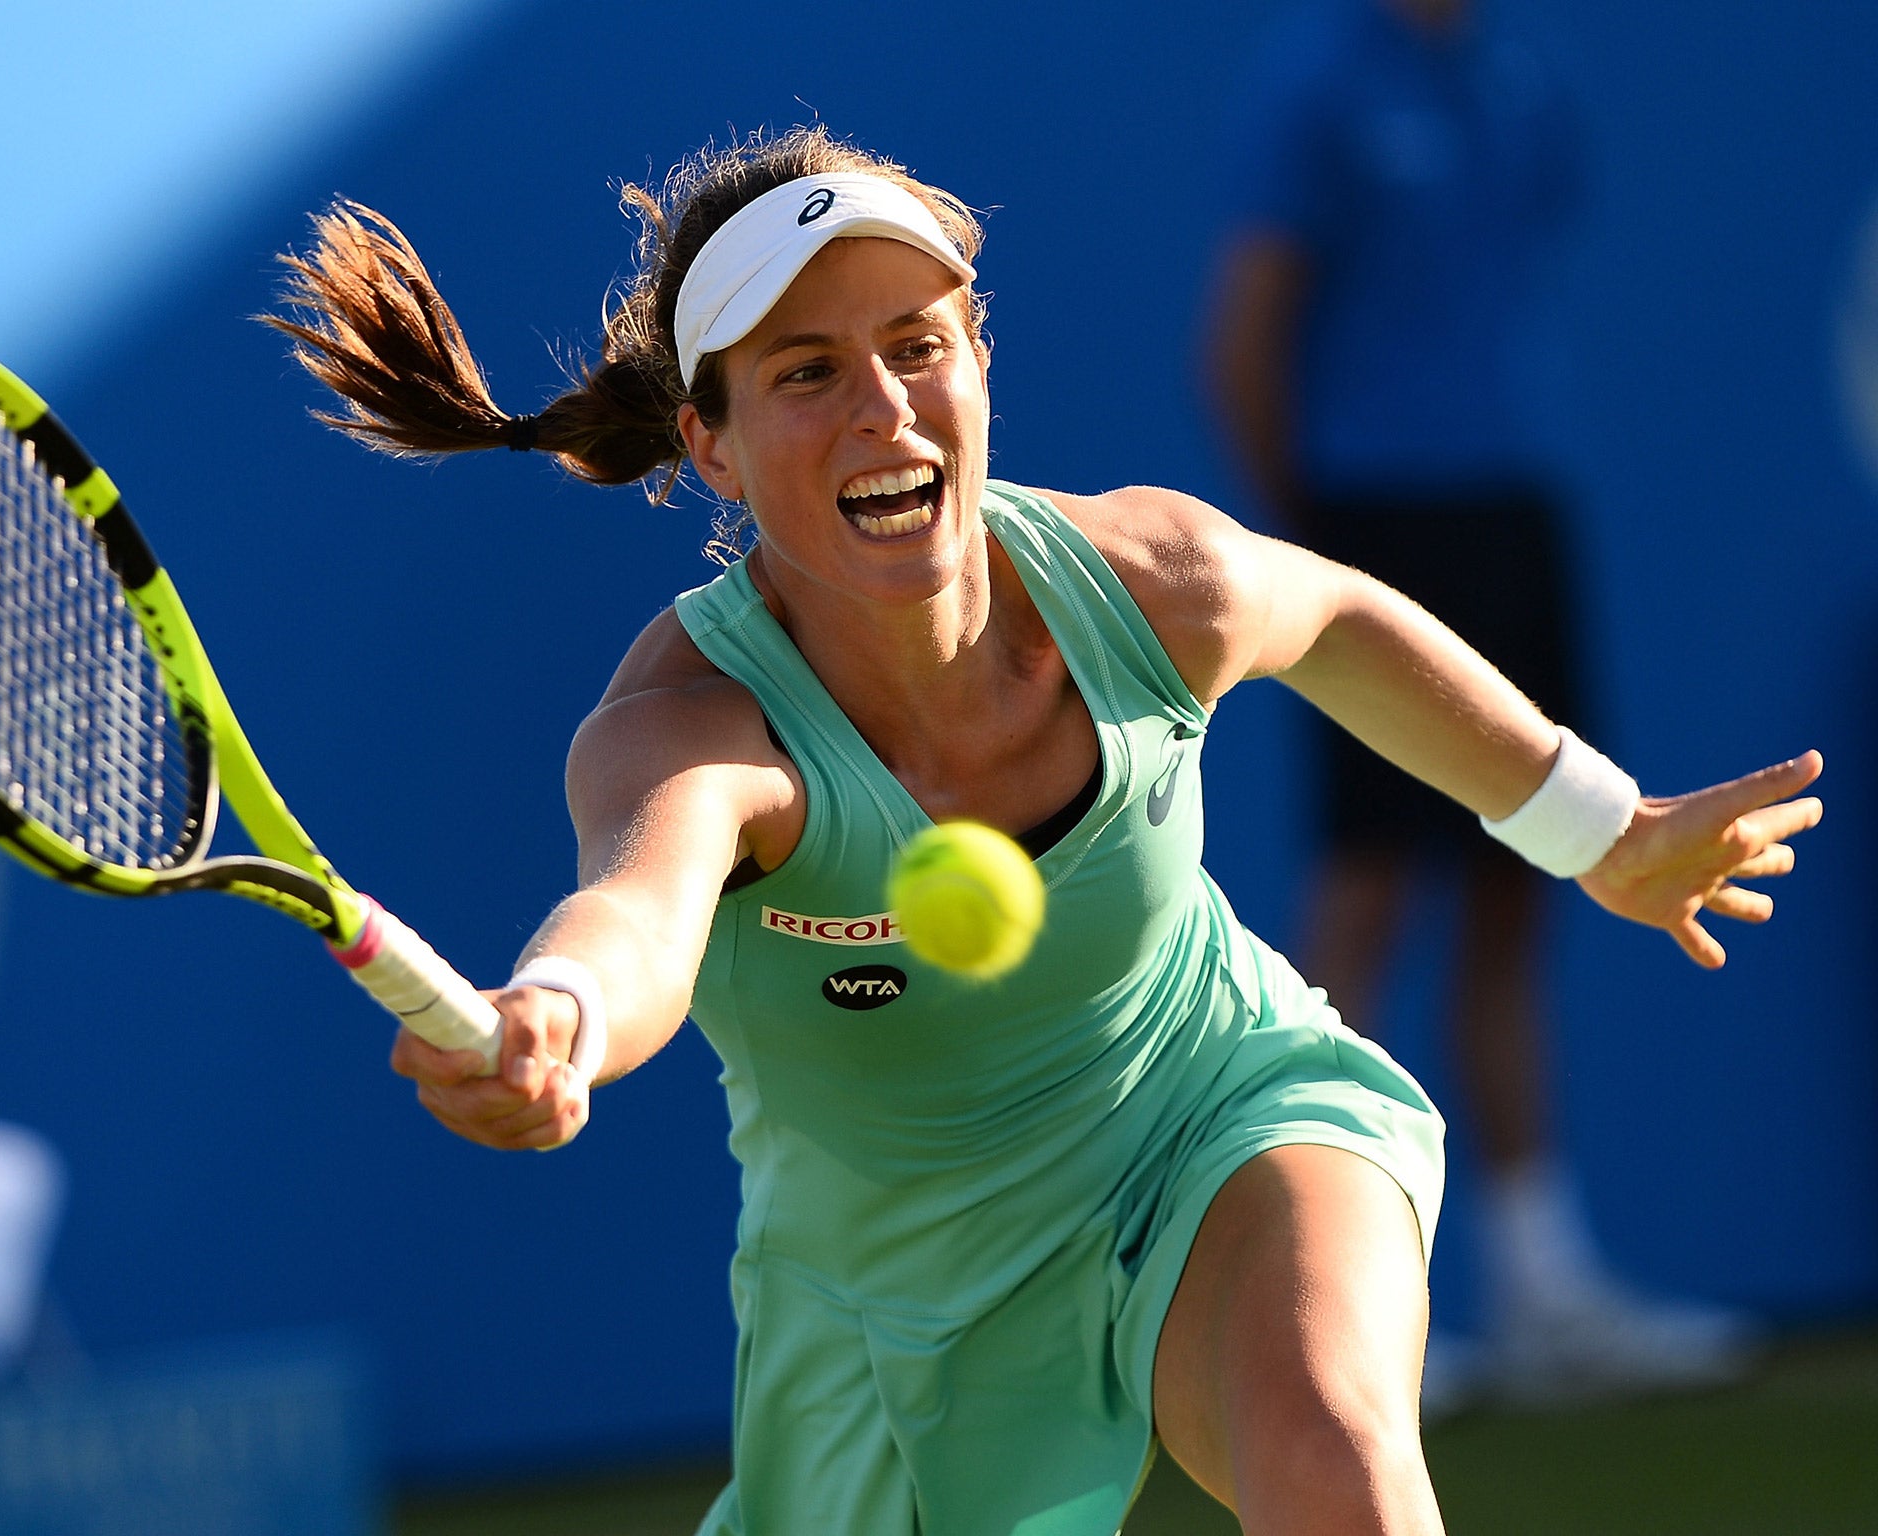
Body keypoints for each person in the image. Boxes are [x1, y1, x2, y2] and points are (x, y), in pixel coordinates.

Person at [267, 127, 1821, 1535]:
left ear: (978, 365)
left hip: (1208, 1113)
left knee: (1338, 1459)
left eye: (915, 345)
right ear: (712, 448)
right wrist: (561, 1015)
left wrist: (1598, 829)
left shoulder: (1154, 582)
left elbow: (1336, 618)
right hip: (889, 1304)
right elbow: (637, 901)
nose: (883, 405)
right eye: (805, 372)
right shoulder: (688, 722)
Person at [1203, 0, 1753, 1404]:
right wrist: (1317, 553)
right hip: (1380, 525)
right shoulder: (1317, 78)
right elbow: (1247, 338)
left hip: (1516, 512)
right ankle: (1333, 1292)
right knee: (1370, 898)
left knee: (1536, 877)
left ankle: (1542, 1286)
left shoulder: (1522, 74)